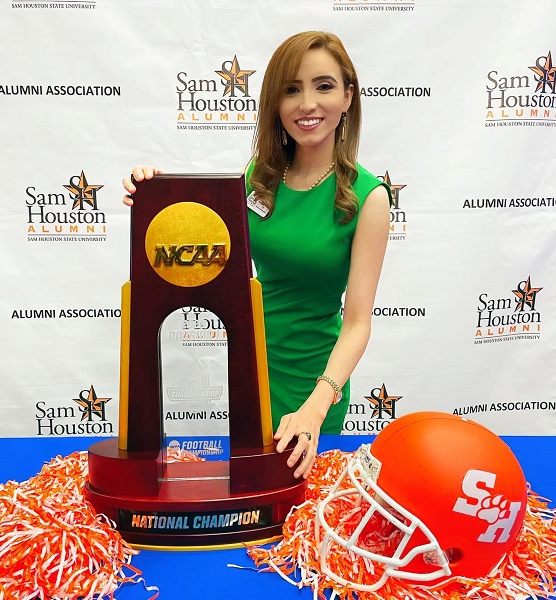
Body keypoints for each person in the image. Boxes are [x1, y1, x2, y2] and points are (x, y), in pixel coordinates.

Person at [122, 31, 391, 480]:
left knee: (298, 522)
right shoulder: (258, 178)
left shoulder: (368, 197)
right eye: (292, 89)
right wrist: (157, 199)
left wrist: (315, 407)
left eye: (323, 86)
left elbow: (358, 322)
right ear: (275, 103)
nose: (307, 103)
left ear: (348, 96)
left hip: (314, 382)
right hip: (249, 371)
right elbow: (205, 247)